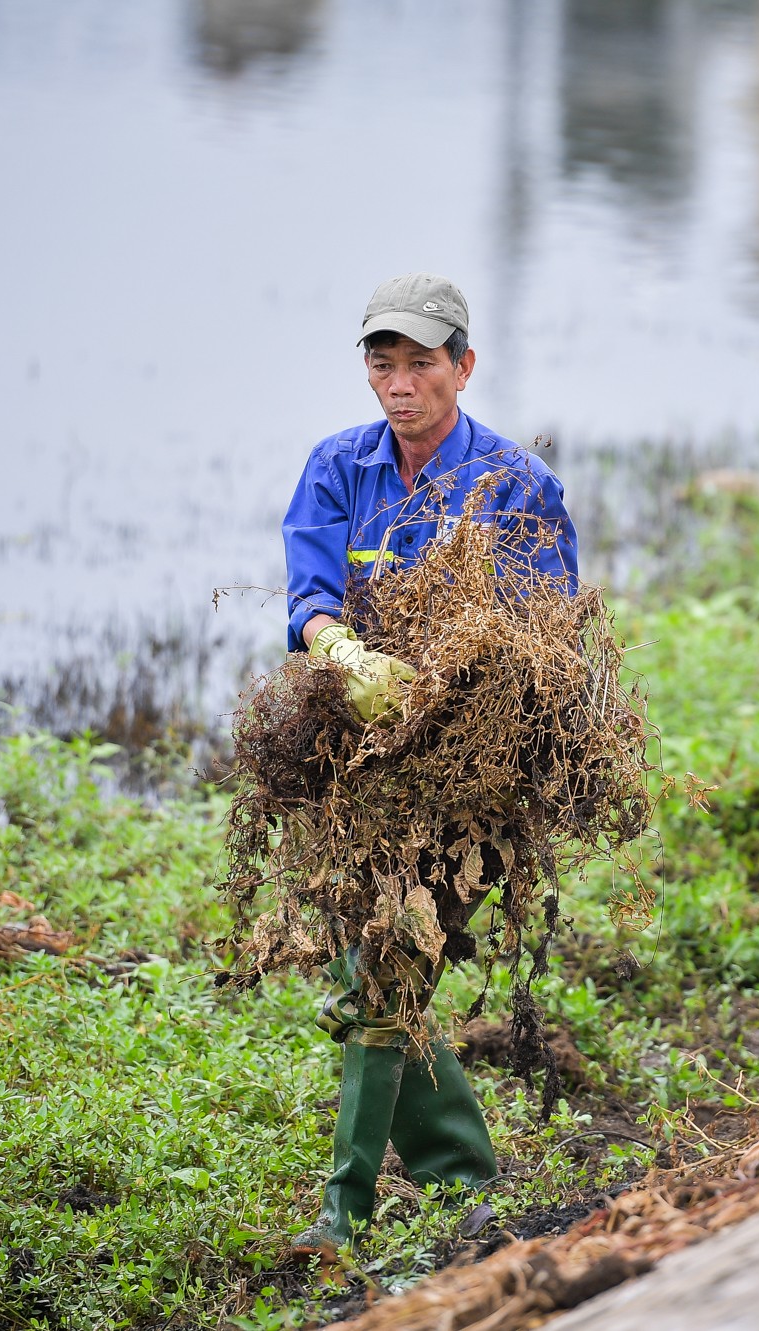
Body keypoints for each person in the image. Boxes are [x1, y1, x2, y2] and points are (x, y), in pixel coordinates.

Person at [280, 272, 578, 1251]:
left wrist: (452, 683)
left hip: (476, 777)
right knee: (371, 973)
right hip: (365, 769)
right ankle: (460, 1170)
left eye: (420, 363)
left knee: (387, 972)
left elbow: (544, 640)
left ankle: (344, 1210)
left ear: (462, 365)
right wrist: (343, 652)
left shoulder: (515, 485)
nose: (400, 383)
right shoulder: (337, 469)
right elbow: (310, 595)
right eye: (382, 362)